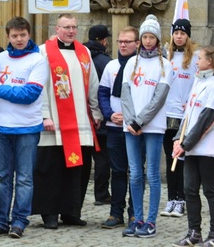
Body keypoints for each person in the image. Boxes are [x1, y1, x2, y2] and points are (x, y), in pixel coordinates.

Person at [0, 17, 49, 239]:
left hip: (27, 127)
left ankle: (19, 221)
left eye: (23, 35)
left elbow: (29, 94)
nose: (19, 40)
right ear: (7, 37)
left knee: (25, 177)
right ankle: (0, 221)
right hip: (0, 126)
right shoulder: (1, 59)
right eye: (14, 36)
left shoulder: (38, 60)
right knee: (1, 177)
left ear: (29, 35)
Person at [32, 13, 102, 229]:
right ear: (56, 29)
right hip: (54, 123)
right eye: (66, 27)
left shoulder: (85, 52)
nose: (71, 31)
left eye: (74, 27)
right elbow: (39, 85)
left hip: (80, 122)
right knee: (51, 170)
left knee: (77, 171)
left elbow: (93, 84)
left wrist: (96, 112)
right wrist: (44, 115)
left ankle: (71, 212)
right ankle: (49, 213)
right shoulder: (44, 52)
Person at [120, 14, 172, 238]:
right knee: (134, 174)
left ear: (158, 40)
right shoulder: (132, 62)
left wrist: (140, 120)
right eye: (145, 37)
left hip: (152, 126)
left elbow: (159, 97)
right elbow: (125, 93)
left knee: (152, 173)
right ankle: (137, 218)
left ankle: (151, 221)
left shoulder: (165, 65)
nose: (148, 41)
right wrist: (131, 120)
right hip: (130, 127)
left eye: (152, 37)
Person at [172, 45, 214, 247]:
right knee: (189, 190)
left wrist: (185, 143)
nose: (196, 60)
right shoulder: (198, 81)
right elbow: (188, 117)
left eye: (199, 57)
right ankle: (194, 232)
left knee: (210, 191)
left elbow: (207, 119)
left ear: (209, 61)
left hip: (210, 148)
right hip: (192, 147)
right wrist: (178, 139)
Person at [98, 26, 139, 229]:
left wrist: (132, 117)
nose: (123, 45)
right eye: (120, 41)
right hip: (114, 127)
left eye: (127, 42)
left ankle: (135, 213)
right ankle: (116, 213)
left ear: (137, 44)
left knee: (136, 171)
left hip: (134, 127)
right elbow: (103, 93)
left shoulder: (142, 66)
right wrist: (109, 114)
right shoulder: (111, 66)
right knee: (118, 171)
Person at [162, 18, 197, 218]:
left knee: (181, 157)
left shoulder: (194, 58)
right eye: (176, 33)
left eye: (183, 33)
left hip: (184, 115)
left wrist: (191, 102)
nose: (179, 36)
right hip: (167, 115)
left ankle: (181, 199)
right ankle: (171, 198)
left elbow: (198, 84)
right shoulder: (167, 57)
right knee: (169, 157)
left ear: (188, 36)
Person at [84, 24, 113, 206]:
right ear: (103, 41)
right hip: (99, 115)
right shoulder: (106, 62)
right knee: (103, 157)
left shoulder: (80, 57)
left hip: (79, 114)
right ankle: (101, 194)